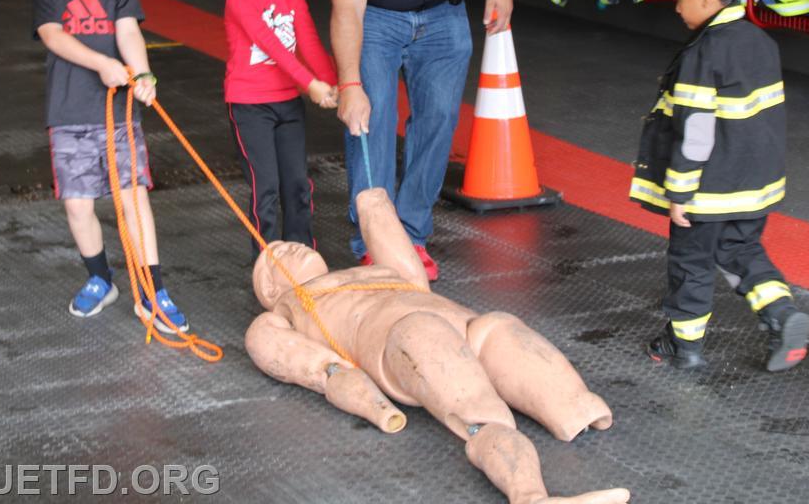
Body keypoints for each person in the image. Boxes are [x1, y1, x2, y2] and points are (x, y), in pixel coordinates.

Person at [246, 187, 630, 504]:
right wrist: (371, 404)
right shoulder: (289, 308)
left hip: (462, 323)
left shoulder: (366, 272)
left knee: (502, 327)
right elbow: (305, 363)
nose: (289, 246)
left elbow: (414, 279)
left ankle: (574, 410)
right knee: (478, 410)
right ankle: (530, 496)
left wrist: (374, 208)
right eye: (276, 253)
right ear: (269, 288)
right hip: (406, 336)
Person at [317, 0, 519, 281]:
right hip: (377, 17)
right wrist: (349, 83)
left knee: (439, 120)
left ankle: (411, 235)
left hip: (445, 13)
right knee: (371, 120)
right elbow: (346, 5)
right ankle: (375, 241)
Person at [629, 0, 809, 372]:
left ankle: (683, 346)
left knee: (691, 264)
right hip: (755, 184)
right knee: (741, 250)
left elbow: (695, 131)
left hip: (707, 192)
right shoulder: (762, 42)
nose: (676, 9)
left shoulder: (703, 53)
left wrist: (679, 190)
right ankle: (782, 316)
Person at [32, 0, 187, 332]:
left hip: (118, 118)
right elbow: (53, 37)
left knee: (134, 200)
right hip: (68, 116)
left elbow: (129, 32)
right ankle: (101, 278)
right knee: (78, 207)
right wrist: (101, 64)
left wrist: (143, 74)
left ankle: (153, 290)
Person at [216, 0, 339, 261]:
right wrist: (310, 85)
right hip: (250, 105)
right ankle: (268, 265)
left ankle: (301, 258)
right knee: (265, 187)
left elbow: (310, 45)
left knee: (297, 184)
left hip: (288, 104)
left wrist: (332, 84)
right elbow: (273, 47)